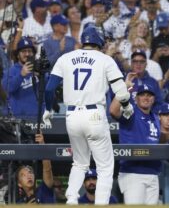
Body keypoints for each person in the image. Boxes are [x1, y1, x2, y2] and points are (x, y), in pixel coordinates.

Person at [43, 25, 133, 205]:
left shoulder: (66, 57)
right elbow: (122, 93)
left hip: (72, 116)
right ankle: (100, 203)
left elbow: (49, 87)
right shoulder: (105, 59)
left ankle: (71, 198)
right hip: (94, 115)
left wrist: (48, 109)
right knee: (105, 167)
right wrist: (127, 107)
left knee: (79, 163)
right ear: (99, 41)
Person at [110, 81, 162, 205]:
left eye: (149, 95)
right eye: (142, 95)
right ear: (136, 98)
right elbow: (113, 111)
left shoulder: (155, 118)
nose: (146, 97)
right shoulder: (131, 112)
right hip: (133, 172)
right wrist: (124, 88)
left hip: (153, 172)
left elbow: (158, 141)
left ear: (153, 99)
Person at [2, 37, 39, 119]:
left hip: (37, 117)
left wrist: (41, 75)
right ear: (18, 55)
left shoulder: (39, 70)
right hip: (17, 118)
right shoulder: (11, 71)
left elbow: (48, 90)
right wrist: (21, 75)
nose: (27, 54)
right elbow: (6, 89)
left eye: (29, 51)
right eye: (23, 51)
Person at [16, 132, 55, 204]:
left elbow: (47, 169)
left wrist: (42, 144)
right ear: (19, 184)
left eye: (30, 172)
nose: (28, 176)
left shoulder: (44, 189)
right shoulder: (20, 204)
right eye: (23, 175)